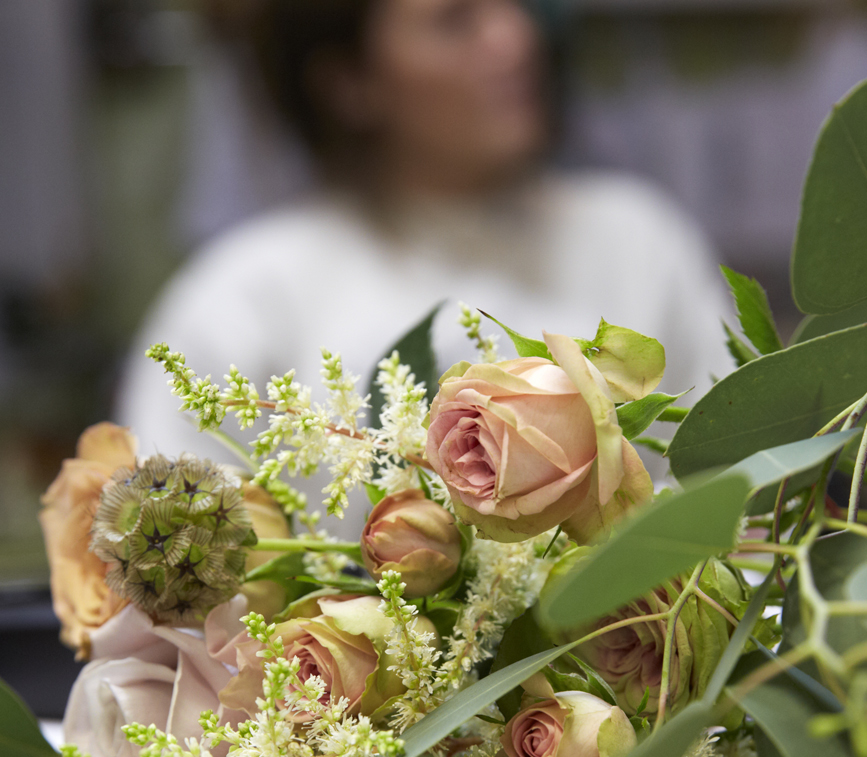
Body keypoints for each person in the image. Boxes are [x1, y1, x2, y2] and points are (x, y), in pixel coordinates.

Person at [115, 0, 736, 472]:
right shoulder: (249, 293)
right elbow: (168, 571)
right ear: (350, 85)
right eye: (454, 21)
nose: (514, 38)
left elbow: (743, 486)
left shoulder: (636, 238)